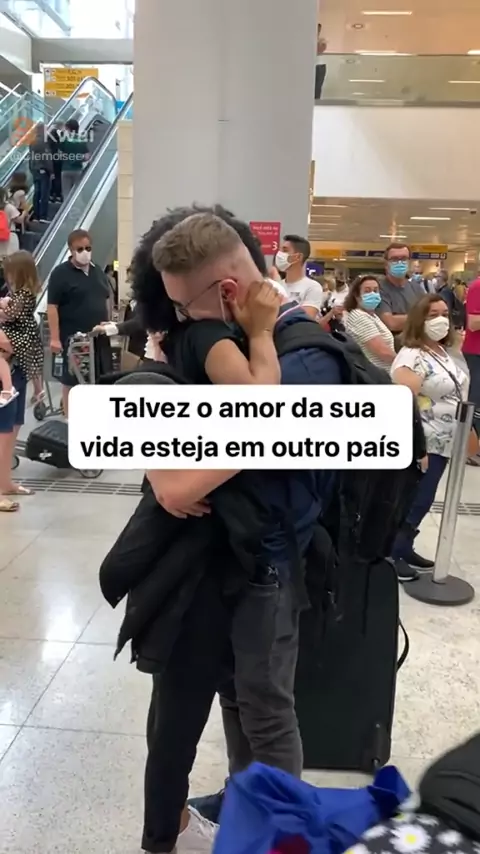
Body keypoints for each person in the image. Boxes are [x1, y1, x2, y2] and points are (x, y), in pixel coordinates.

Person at [130, 207, 343, 854]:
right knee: (237, 697)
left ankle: (279, 835)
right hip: (229, 562)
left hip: (269, 564)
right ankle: (246, 806)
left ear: (225, 291)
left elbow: (234, 442)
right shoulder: (229, 338)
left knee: (265, 708)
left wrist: (173, 477)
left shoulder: (303, 356)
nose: (180, 320)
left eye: (184, 305)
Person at [391, 294, 469, 581]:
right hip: (424, 440)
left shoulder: (442, 351)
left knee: (424, 498)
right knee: (415, 499)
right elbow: (403, 400)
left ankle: (405, 546)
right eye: (432, 315)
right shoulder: (412, 354)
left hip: (445, 439)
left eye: (444, 314)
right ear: (419, 319)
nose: (440, 320)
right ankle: (392, 553)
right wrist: (417, 447)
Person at [47, 229, 110, 417]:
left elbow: (106, 297)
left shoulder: (98, 271)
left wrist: (109, 322)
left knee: (99, 377)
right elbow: (52, 306)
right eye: (80, 249)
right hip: (73, 338)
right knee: (72, 381)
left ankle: (93, 416)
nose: (85, 252)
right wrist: (55, 338)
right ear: (71, 250)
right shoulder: (60, 273)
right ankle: (70, 419)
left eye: (88, 248)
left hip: (98, 336)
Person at [0, 251, 44, 510]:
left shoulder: (22, 298)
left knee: (13, 427)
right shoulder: (17, 300)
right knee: (3, 429)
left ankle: (5, 481)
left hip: (18, 367)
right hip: (8, 367)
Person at [344, 275, 395, 371]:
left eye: (375, 290)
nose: (373, 294)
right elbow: (383, 352)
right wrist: (404, 362)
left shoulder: (372, 315)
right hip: (376, 375)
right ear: (357, 296)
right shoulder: (359, 317)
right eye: (367, 291)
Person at [378, 243, 425, 346]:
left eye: (404, 259)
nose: (400, 263)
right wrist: (421, 318)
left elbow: (429, 315)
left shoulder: (416, 288)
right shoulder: (379, 289)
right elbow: (391, 323)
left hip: (416, 346)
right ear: (386, 264)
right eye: (394, 259)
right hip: (392, 348)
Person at [275, 234, 325, 318]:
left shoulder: (312, 287)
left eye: (285, 250)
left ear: (298, 257)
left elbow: (305, 318)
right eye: (280, 250)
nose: (279, 254)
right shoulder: (276, 285)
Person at [463, 274, 480, 459]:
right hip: (476, 352)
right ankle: (470, 448)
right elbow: (474, 323)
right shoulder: (477, 286)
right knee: (476, 401)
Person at [28, 123, 53, 222]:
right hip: (43, 170)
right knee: (44, 194)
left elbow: (31, 157)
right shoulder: (43, 141)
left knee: (37, 193)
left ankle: (36, 215)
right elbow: (47, 157)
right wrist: (51, 171)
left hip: (35, 170)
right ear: (43, 130)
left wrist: (32, 169)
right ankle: (43, 216)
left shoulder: (32, 141)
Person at [60, 118, 89, 199]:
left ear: (68, 128)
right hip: (78, 169)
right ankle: (78, 206)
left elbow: (60, 154)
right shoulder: (82, 139)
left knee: (66, 193)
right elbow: (87, 156)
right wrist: (79, 158)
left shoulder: (64, 139)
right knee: (78, 192)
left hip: (66, 169)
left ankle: (67, 207)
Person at [0, 188, 26, 257]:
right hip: (10, 235)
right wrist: (24, 213)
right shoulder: (8, 207)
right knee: (12, 258)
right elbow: (19, 220)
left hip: (1, 235)